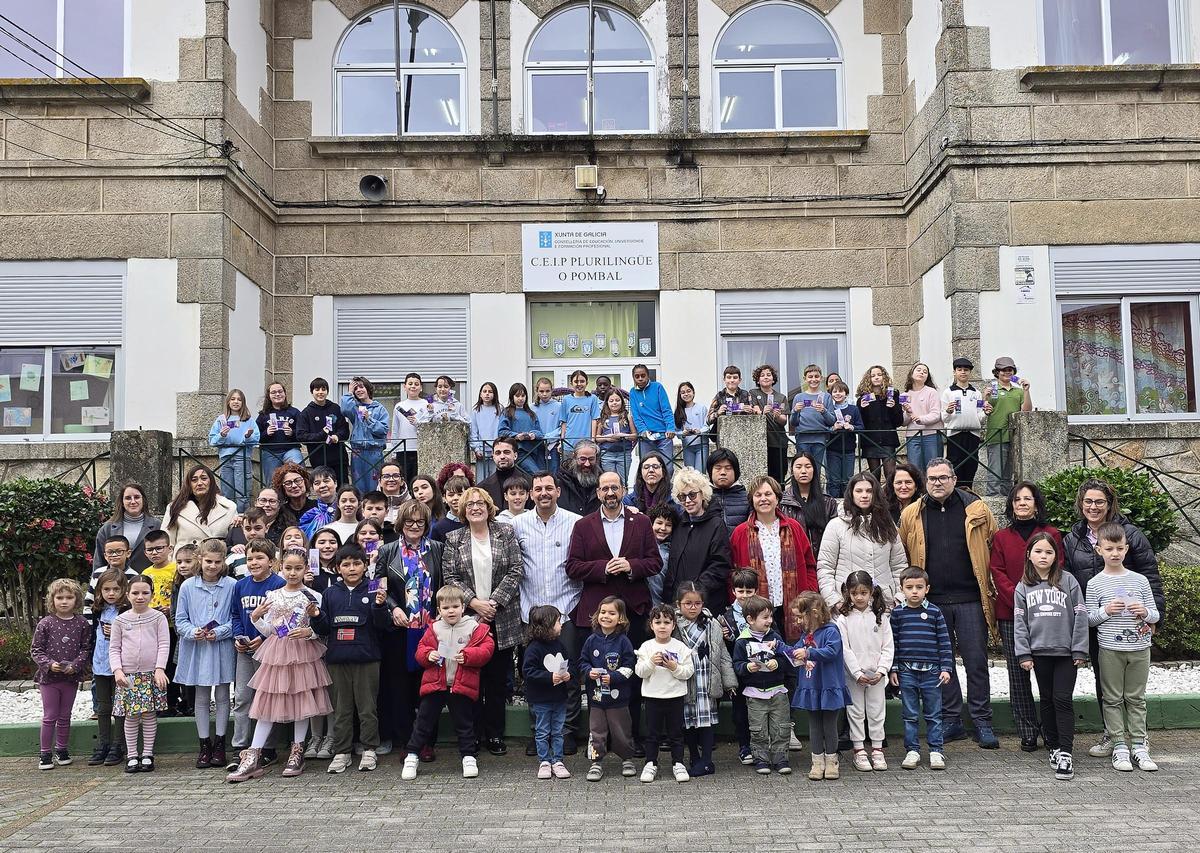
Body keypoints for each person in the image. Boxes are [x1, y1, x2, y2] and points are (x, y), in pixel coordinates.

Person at [898, 458, 999, 749]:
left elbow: (992, 544)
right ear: (925, 482)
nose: (937, 483)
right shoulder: (911, 514)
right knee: (942, 665)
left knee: (976, 661)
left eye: (943, 477)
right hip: (933, 602)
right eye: (932, 479)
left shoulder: (976, 510)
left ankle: (982, 721)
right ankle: (951, 720)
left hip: (970, 599)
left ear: (954, 479)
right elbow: (905, 552)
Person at [1062, 478, 1165, 760]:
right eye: (1088, 502)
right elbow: (1069, 580)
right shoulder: (1073, 538)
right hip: (1094, 618)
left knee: (1132, 689)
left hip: (1129, 626)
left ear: (1109, 504)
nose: (1093, 507)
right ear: (1080, 504)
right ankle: (1114, 736)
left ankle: (1137, 739)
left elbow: (1150, 576)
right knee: (1104, 680)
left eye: (1099, 502)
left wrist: (1156, 616)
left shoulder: (1129, 534)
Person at [566, 470, 661, 749]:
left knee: (630, 675)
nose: (610, 493)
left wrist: (632, 566)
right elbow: (572, 567)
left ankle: (630, 741)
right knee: (599, 679)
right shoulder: (583, 526)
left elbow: (654, 562)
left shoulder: (641, 522)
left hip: (634, 612)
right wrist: (602, 568)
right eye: (604, 488)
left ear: (623, 490)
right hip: (598, 616)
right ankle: (600, 741)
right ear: (597, 493)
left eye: (615, 488)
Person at [227, 547, 332, 781]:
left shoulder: (314, 596)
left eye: (298, 568)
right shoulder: (273, 595)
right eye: (288, 568)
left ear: (306, 569)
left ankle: (297, 751)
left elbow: (322, 629)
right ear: (280, 567)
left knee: (302, 699)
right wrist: (255, 619)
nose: (293, 573)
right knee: (268, 699)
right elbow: (270, 629)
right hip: (277, 652)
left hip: (304, 652)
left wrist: (310, 632)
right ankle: (253, 754)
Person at [442, 487, 524, 755]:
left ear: (489, 508)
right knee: (471, 679)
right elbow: (450, 577)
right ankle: (473, 734)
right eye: (469, 504)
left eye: (480, 503)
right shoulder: (454, 539)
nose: (475, 507)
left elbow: (515, 570)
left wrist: (494, 603)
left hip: (501, 616)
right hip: (468, 619)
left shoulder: (505, 532)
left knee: (497, 681)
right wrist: (474, 603)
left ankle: (495, 735)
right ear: (463, 511)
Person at [989, 481, 1063, 752]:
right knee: (1018, 674)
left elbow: (1059, 570)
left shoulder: (1051, 534)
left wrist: (1036, 599)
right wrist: (1020, 598)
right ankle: (1028, 731)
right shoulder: (1001, 537)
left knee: (1047, 673)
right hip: (1010, 614)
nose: (1022, 503)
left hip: (1047, 614)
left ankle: (1051, 729)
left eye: (1028, 499)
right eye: (1017, 499)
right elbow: (997, 572)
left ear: (1036, 504)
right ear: (1011, 504)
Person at [1084, 522, 1161, 774]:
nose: (1114, 553)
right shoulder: (1095, 583)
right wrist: (1105, 611)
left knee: (1136, 698)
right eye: (1109, 548)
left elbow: (1155, 614)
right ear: (1099, 550)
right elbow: (1088, 619)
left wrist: (1145, 612)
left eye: (1119, 548)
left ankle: (1139, 745)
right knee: (1113, 698)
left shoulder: (1139, 581)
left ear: (1126, 549)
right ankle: (1118, 745)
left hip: (1140, 647)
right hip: (1109, 649)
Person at [1013, 532, 1088, 782]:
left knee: (1062, 699)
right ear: (1029, 555)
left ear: (1056, 556)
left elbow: (1080, 617)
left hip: (1066, 653)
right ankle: (1053, 746)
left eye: (1048, 552)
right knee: (1046, 699)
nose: (1043, 556)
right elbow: (1020, 623)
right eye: (1038, 551)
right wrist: (1024, 652)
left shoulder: (1068, 582)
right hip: (1039, 653)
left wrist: (1079, 648)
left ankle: (1066, 752)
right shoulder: (1023, 586)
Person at [311, 544, 393, 773]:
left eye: (357, 563)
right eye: (346, 564)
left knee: (367, 708)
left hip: (367, 658)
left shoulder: (374, 588)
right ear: (338, 568)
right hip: (337, 659)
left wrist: (379, 606)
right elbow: (324, 628)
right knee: (341, 708)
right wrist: (316, 616)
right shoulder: (330, 593)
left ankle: (369, 749)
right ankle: (342, 751)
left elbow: (383, 626)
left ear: (366, 566)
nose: (352, 568)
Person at [374, 499, 445, 763]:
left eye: (420, 522)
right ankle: (408, 741)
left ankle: (427, 740)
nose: (414, 526)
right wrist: (393, 608)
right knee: (401, 688)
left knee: (428, 687)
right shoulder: (386, 551)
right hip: (400, 629)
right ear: (400, 524)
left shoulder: (438, 548)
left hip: (431, 628)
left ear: (427, 525)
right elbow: (377, 587)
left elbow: (446, 583)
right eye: (409, 521)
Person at [400, 585, 494, 781]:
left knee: (464, 723)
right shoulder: (433, 628)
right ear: (439, 610)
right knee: (423, 722)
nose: (451, 611)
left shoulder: (475, 628)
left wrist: (468, 656)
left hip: (461, 685)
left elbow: (487, 649)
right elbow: (420, 651)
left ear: (463, 607)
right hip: (435, 684)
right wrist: (428, 655)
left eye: (455, 606)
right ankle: (412, 755)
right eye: (446, 608)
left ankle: (468, 757)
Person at [729, 474, 819, 644]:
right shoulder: (740, 533)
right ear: (752, 500)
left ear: (777, 498)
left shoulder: (794, 527)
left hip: (793, 605)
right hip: (756, 607)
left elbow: (809, 565)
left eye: (768, 494)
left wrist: (809, 594)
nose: (763, 499)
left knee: (795, 656)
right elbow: (732, 571)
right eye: (758, 495)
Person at [175, 538, 237, 770]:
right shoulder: (188, 586)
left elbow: (235, 618)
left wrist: (220, 631)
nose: (212, 566)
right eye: (208, 561)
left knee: (222, 694)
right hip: (197, 648)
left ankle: (220, 743)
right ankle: (204, 744)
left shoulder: (232, 585)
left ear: (223, 562)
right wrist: (193, 631)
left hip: (221, 647)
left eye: (217, 562)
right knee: (201, 697)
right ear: (200, 560)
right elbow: (180, 619)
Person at [228, 538, 286, 770]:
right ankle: (240, 746)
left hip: (269, 650)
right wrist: (238, 636)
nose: (254, 562)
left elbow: (283, 621)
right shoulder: (240, 586)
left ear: (271, 561)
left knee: (266, 698)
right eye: (250, 558)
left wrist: (262, 638)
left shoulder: (279, 584)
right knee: (242, 697)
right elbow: (234, 614)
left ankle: (266, 748)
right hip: (245, 651)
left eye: (260, 558)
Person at [889, 567, 953, 771]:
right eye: (909, 587)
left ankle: (936, 750)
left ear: (927, 588)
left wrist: (946, 668)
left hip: (932, 672)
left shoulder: (934, 612)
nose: (914, 591)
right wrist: (894, 668)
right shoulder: (898, 614)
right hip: (907, 671)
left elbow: (944, 642)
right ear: (902, 589)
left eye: (919, 587)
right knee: (910, 714)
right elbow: (894, 643)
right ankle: (912, 750)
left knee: (934, 714)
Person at [817, 471, 907, 609]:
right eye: (859, 491)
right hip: (847, 606)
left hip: (884, 606)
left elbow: (899, 566)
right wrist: (834, 601)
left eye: (869, 491)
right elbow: (825, 567)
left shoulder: (888, 525)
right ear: (851, 493)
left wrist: (898, 598)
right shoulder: (836, 526)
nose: (864, 495)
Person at [673, 582, 735, 778]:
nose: (693, 607)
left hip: (707, 679)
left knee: (706, 721)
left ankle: (707, 760)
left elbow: (723, 653)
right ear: (678, 604)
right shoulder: (674, 624)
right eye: (688, 603)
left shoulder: (712, 623)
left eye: (697, 603)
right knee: (689, 720)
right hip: (686, 679)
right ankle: (693, 756)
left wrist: (730, 682)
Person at [109, 575, 170, 774]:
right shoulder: (120, 620)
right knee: (131, 716)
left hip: (150, 675)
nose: (140, 597)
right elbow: (114, 648)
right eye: (135, 593)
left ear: (152, 595)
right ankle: (132, 755)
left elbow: (164, 644)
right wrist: (117, 670)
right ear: (127, 595)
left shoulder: (158, 618)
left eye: (145, 593)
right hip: (128, 677)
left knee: (149, 715)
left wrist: (159, 668)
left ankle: (148, 754)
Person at [788, 591, 851, 781]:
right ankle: (817, 762)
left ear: (814, 612)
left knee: (830, 725)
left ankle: (832, 761)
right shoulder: (806, 634)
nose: (798, 621)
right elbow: (795, 651)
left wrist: (807, 653)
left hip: (829, 684)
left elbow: (831, 651)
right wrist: (783, 650)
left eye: (800, 616)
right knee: (814, 725)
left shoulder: (831, 630)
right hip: (811, 685)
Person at [731, 595, 793, 775]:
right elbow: (736, 665)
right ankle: (761, 759)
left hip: (778, 691)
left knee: (781, 727)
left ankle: (781, 759)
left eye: (771, 616)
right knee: (758, 730)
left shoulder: (775, 637)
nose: (770, 621)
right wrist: (747, 667)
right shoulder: (742, 641)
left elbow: (787, 659)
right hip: (754, 694)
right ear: (750, 619)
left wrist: (778, 664)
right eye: (765, 617)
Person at [837, 572, 894, 772]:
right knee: (856, 711)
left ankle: (877, 749)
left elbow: (888, 646)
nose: (859, 597)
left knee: (877, 711)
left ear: (871, 592)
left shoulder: (880, 616)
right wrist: (856, 672)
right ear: (848, 594)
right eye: (854, 593)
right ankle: (859, 750)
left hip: (877, 675)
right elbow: (844, 648)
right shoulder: (843, 619)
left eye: (864, 593)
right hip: (854, 676)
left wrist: (882, 669)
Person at [32, 578, 90, 771]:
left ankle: (62, 750)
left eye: (69, 597)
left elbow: (85, 648)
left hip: (70, 678)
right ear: (52, 599)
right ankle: (45, 753)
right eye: (59, 597)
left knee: (65, 716)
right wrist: (49, 664)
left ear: (77, 599)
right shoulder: (46, 623)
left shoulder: (81, 623)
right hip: (49, 679)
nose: (64, 601)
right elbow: (36, 650)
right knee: (50, 716)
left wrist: (75, 665)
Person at [634, 604, 695, 784]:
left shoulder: (681, 647)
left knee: (676, 734)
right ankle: (651, 763)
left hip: (675, 696)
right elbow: (640, 672)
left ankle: (678, 763)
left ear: (673, 625)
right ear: (651, 625)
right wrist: (651, 663)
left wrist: (674, 667)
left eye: (667, 622)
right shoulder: (646, 647)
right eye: (658, 622)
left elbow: (688, 672)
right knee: (652, 734)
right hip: (652, 697)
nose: (662, 626)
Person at [580, 596, 638, 781]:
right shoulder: (590, 640)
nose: (606, 616)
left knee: (621, 730)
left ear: (620, 618)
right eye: (603, 612)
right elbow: (582, 662)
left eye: (612, 613)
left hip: (618, 698)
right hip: (596, 698)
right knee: (596, 731)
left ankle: (627, 759)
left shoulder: (623, 642)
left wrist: (613, 677)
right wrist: (589, 672)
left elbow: (630, 666)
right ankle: (596, 762)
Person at [521, 604, 577, 779]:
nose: (561, 625)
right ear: (547, 625)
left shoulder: (560, 645)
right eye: (558, 621)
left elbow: (570, 664)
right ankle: (544, 761)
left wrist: (568, 674)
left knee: (558, 730)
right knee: (543, 731)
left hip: (559, 698)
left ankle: (557, 760)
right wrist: (548, 677)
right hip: (541, 699)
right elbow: (528, 672)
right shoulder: (533, 648)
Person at [87, 570, 127, 767]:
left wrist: (118, 632)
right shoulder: (97, 611)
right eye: (106, 589)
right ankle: (103, 743)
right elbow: (92, 636)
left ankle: (118, 745)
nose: (111, 593)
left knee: (120, 705)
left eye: (116, 589)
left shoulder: (126, 611)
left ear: (123, 590)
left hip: (120, 665)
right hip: (100, 662)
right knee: (103, 706)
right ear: (99, 591)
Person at [983, 356, 1032, 497]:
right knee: (995, 472)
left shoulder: (1018, 391)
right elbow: (982, 410)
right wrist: (984, 398)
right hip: (996, 435)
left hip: (1015, 437)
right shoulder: (991, 389)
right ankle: (991, 499)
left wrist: (1027, 390)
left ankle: (1007, 499)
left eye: (1009, 369)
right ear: (997, 372)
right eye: (1003, 370)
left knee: (1008, 473)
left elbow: (1026, 410)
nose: (1006, 372)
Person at [208, 389, 260, 512]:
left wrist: (248, 437)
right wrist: (222, 435)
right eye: (233, 399)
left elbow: (256, 439)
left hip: (241, 458)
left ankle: (242, 517)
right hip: (225, 458)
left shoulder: (248, 420)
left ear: (243, 402)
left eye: (239, 399)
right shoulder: (221, 419)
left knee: (242, 490)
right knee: (227, 491)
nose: (236, 402)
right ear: (228, 402)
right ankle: (228, 517)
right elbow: (212, 440)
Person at [93, 483, 162, 574]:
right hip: (115, 583)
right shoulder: (108, 528)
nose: (133, 501)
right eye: (128, 498)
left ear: (143, 500)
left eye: (137, 497)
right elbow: (99, 560)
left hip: (146, 582)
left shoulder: (157, 525)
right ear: (122, 502)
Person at [940, 357, 987, 490]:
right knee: (955, 465)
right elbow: (943, 417)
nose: (963, 372)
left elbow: (980, 417)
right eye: (959, 369)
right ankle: (954, 492)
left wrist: (986, 413)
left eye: (966, 370)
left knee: (972, 464)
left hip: (973, 434)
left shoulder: (977, 393)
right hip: (955, 434)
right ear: (954, 372)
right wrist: (948, 411)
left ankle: (968, 491)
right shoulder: (948, 392)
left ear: (970, 372)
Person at [780, 452, 838, 559]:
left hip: (822, 559)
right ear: (791, 471)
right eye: (798, 467)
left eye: (808, 467)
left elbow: (835, 536)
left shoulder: (828, 503)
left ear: (814, 470)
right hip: (794, 559)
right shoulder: (782, 502)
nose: (803, 471)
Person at [163, 464, 238, 544]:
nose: (199, 483)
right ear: (189, 485)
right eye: (194, 480)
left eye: (204, 478)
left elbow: (235, 541)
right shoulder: (174, 508)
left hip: (216, 554)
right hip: (185, 555)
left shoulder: (229, 507)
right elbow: (167, 543)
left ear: (211, 482)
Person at [298, 377, 351, 485]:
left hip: (339, 458)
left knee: (342, 488)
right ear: (312, 392)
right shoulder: (306, 413)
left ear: (327, 391)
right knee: (323, 489)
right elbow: (301, 436)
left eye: (323, 389)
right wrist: (321, 434)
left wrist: (337, 436)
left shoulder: (335, 408)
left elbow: (345, 429)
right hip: (319, 460)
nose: (320, 392)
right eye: (317, 389)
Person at [341, 376, 389, 495]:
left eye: (361, 387)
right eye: (356, 388)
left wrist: (369, 419)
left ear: (368, 388)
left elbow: (383, 430)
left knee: (375, 484)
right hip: (358, 452)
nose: (359, 390)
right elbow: (344, 409)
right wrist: (349, 392)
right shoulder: (355, 408)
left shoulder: (380, 409)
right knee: (358, 486)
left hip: (374, 452)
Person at [855, 365, 903, 482]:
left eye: (879, 375)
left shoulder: (893, 395)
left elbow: (898, 421)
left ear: (884, 377)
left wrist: (893, 408)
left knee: (890, 474)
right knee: (874, 476)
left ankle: (891, 499)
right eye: (873, 375)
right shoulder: (863, 398)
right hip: (870, 440)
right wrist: (862, 409)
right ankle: (875, 499)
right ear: (868, 379)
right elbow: (860, 423)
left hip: (888, 440)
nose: (876, 377)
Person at [789, 364, 836, 478]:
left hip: (820, 438)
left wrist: (824, 411)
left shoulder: (826, 397)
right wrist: (795, 411)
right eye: (810, 377)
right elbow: (793, 422)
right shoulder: (798, 397)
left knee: (816, 470)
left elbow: (832, 421)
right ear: (805, 379)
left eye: (816, 376)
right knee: (802, 470)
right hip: (802, 438)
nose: (813, 379)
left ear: (821, 378)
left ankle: (815, 495)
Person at [746, 364, 789, 484]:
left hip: (778, 441)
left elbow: (784, 420)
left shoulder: (781, 397)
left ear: (773, 379)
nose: (765, 377)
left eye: (768, 375)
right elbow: (755, 411)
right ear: (758, 380)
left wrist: (777, 415)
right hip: (759, 441)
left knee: (779, 476)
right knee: (761, 477)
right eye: (762, 375)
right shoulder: (753, 393)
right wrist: (762, 413)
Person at [256, 381, 303, 488]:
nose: (277, 394)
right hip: (270, 452)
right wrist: (266, 433)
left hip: (290, 450)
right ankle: (275, 503)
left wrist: (292, 433)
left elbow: (302, 434)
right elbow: (256, 437)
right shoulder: (263, 415)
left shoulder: (294, 412)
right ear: (269, 396)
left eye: (280, 391)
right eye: (273, 392)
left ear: (285, 394)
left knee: (297, 474)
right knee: (273, 483)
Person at [628, 364, 675, 468]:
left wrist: (670, 427)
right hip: (646, 438)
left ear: (648, 376)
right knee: (647, 467)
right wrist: (643, 430)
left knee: (667, 467)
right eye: (637, 376)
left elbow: (666, 410)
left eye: (643, 375)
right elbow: (636, 415)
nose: (640, 379)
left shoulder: (658, 387)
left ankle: (666, 485)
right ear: (633, 378)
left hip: (664, 436)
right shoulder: (633, 392)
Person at [901, 363, 943, 473]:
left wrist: (920, 419)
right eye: (918, 370)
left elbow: (936, 414)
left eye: (925, 372)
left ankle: (932, 490)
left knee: (933, 468)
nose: (921, 372)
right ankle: (918, 490)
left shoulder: (932, 392)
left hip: (931, 434)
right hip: (912, 436)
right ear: (911, 373)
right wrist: (907, 412)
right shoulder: (904, 395)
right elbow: (903, 422)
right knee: (914, 469)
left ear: (927, 377)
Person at [825, 381, 863, 500]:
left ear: (846, 393)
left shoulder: (853, 409)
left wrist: (851, 427)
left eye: (840, 391)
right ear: (831, 394)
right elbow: (823, 427)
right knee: (834, 480)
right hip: (832, 449)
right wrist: (833, 428)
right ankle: (832, 505)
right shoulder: (828, 410)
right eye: (834, 391)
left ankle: (848, 504)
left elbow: (861, 427)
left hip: (849, 449)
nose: (837, 394)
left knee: (848, 480)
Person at [498, 382, 545, 475]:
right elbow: (502, 432)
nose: (520, 398)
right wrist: (516, 436)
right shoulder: (507, 412)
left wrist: (533, 435)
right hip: (519, 452)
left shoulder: (531, 413)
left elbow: (540, 433)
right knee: (536, 474)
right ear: (512, 397)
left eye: (523, 396)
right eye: (517, 396)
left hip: (535, 452)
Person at [388, 373, 427, 482]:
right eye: (410, 384)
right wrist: (394, 450)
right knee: (404, 479)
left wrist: (418, 423)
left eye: (416, 384)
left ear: (421, 387)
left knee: (420, 479)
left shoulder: (426, 404)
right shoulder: (399, 406)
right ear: (405, 387)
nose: (413, 386)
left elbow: (429, 426)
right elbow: (395, 429)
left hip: (421, 448)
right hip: (403, 448)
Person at [594, 388, 636, 479]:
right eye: (611, 401)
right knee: (610, 479)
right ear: (607, 403)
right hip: (607, 454)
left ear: (622, 401)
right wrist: (607, 438)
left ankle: (624, 493)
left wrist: (624, 436)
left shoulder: (627, 416)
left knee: (623, 481)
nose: (614, 403)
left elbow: (634, 436)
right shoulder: (603, 417)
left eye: (617, 400)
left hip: (624, 454)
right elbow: (597, 437)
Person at [559, 370, 602, 456]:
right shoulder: (566, 399)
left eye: (582, 381)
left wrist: (592, 439)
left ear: (587, 383)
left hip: (586, 444)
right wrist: (562, 441)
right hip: (569, 443)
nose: (579, 384)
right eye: (576, 381)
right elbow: (564, 422)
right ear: (571, 383)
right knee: (568, 469)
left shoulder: (593, 399)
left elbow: (594, 420)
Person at [478, 437, 528, 510]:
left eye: (506, 452)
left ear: (515, 455)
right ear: (493, 457)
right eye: (498, 453)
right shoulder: (482, 488)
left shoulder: (529, 482)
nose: (502, 457)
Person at [707, 448, 749, 530]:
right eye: (718, 468)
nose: (723, 472)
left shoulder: (748, 498)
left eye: (728, 468)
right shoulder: (702, 498)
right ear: (710, 471)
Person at [556, 440, 601, 517]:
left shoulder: (602, 482)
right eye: (583, 459)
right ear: (574, 457)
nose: (587, 464)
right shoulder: (560, 481)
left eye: (591, 459)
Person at [706, 365, 752, 439]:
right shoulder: (719, 396)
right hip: (724, 437)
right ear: (724, 380)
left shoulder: (746, 394)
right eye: (729, 377)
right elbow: (708, 420)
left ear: (740, 380)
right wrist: (718, 413)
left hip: (744, 436)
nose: (732, 380)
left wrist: (750, 411)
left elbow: (755, 415)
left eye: (735, 377)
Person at [471, 381, 502, 482]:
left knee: (496, 478)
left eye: (490, 391)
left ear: (495, 394)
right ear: (480, 394)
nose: (487, 394)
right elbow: (473, 432)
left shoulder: (500, 409)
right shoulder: (476, 411)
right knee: (481, 479)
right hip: (481, 450)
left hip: (496, 449)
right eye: (484, 391)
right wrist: (476, 449)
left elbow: (501, 429)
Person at [674, 381, 709, 471]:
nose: (686, 394)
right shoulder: (678, 411)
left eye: (688, 391)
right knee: (689, 475)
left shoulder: (702, 408)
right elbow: (676, 431)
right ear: (680, 395)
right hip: (687, 446)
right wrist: (683, 433)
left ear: (693, 392)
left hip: (701, 445)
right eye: (683, 392)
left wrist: (700, 431)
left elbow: (707, 425)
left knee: (699, 474)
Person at [298, 466, 339, 541]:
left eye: (326, 481)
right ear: (313, 488)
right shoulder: (309, 511)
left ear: (335, 483)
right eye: (317, 483)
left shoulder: (345, 507)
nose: (322, 486)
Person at [646, 505, 676, 607]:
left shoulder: (673, 550)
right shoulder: (642, 545)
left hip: (662, 602)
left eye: (668, 525)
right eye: (659, 523)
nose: (663, 528)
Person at [532, 377, 562, 472]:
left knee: (554, 473)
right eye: (541, 391)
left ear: (551, 390)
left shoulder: (559, 406)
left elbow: (562, 426)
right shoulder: (532, 407)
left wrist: (548, 436)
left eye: (547, 391)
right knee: (539, 473)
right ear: (536, 391)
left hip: (553, 445)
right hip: (537, 445)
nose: (544, 394)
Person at [271, 463, 315, 529]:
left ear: (305, 482)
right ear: (283, 489)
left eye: (298, 480)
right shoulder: (280, 512)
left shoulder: (318, 507)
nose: (294, 486)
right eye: (288, 483)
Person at [431, 475, 470, 543]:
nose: (455, 498)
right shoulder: (438, 527)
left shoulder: (474, 522)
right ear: (444, 498)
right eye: (451, 495)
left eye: (460, 494)